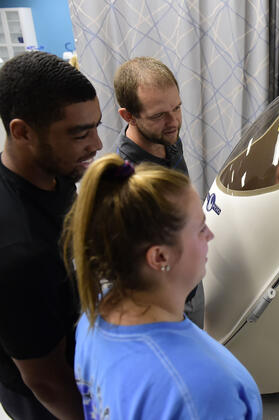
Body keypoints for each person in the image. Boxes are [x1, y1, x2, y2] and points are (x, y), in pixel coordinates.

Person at [62, 154, 262, 419]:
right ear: (160, 257)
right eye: (201, 228)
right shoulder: (201, 389)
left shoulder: (93, 318)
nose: (210, 235)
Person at [0, 51, 102, 419]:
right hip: (48, 398)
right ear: (22, 131)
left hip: (74, 347)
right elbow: (44, 380)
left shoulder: (55, 173)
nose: (97, 144)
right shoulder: (19, 252)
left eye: (95, 126)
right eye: (80, 134)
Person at [113, 57, 205, 329]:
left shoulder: (166, 137)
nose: (174, 121)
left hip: (190, 286)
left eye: (177, 108)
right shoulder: (127, 178)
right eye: (158, 115)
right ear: (128, 115)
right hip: (164, 307)